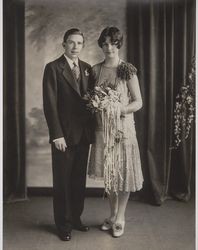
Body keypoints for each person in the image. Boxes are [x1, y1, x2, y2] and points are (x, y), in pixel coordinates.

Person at [88, 26, 144, 237]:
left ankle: (120, 217)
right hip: (103, 129)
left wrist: (121, 109)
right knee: (110, 174)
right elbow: (91, 101)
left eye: (113, 43)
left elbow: (138, 102)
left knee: (124, 174)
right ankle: (111, 215)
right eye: (105, 43)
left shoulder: (127, 69)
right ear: (101, 45)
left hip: (123, 129)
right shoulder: (95, 70)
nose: (109, 47)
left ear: (119, 44)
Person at [43, 28, 94, 241]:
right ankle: (63, 225)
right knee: (62, 181)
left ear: (83, 45)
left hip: (83, 135)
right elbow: (50, 104)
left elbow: (91, 102)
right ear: (63, 44)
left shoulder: (87, 68)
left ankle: (75, 218)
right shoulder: (53, 68)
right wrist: (57, 135)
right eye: (71, 42)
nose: (75, 47)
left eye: (79, 43)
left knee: (78, 181)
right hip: (63, 136)